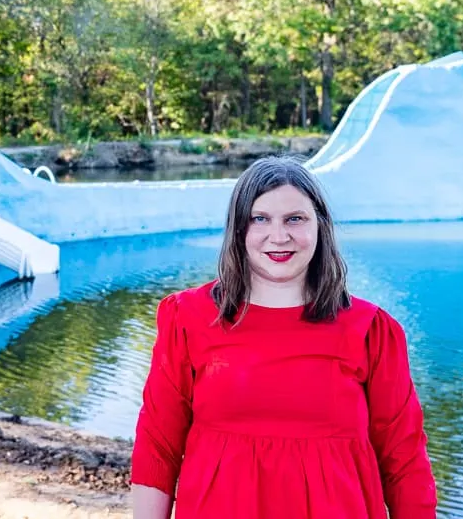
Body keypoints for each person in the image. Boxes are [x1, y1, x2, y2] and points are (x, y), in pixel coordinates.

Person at [130, 157, 437, 519]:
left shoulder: (372, 330)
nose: (279, 236)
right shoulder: (188, 318)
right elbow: (158, 448)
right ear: (239, 229)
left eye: (295, 218)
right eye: (260, 219)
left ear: (320, 226)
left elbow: (405, 464)